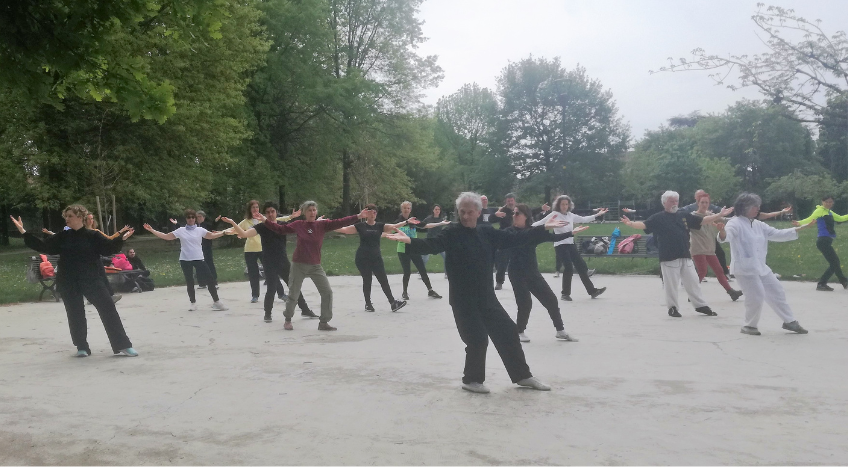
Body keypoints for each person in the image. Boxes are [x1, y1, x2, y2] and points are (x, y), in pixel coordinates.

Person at [386, 192, 566, 394]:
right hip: (463, 300)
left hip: (487, 297)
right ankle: (471, 380)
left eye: (469, 212)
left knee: (508, 331)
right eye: (462, 212)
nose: (465, 216)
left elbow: (514, 237)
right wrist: (409, 242)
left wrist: (541, 229)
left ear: (478, 212)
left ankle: (522, 376)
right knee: (478, 339)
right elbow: (432, 244)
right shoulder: (452, 233)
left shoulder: (486, 232)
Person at [11, 206, 139, 357]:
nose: (67, 219)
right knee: (75, 313)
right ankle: (82, 347)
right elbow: (43, 246)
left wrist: (121, 239)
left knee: (108, 309)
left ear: (80, 217)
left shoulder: (93, 235)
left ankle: (123, 345)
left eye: (70, 216)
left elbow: (108, 248)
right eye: (66, 216)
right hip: (68, 280)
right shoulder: (62, 236)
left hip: (91, 279)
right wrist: (23, 232)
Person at [229, 201, 369, 331]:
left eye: (314, 210)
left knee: (327, 292)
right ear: (304, 212)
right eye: (309, 210)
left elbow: (340, 222)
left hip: (314, 265)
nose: (312, 212)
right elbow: (278, 228)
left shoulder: (322, 225)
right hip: (296, 264)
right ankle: (286, 318)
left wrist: (358, 216)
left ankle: (323, 322)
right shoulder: (298, 225)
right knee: (290, 293)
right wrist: (264, 220)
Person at [621, 190, 732, 318]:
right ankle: (672, 308)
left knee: (693, 281)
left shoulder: (683, 215)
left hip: (685, 255)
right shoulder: (658, 217)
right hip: (668, 257)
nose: (674, 203)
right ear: (664, 203)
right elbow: (644, 225)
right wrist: (630, 224)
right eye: (671, 201)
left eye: (676, 201)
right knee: (671, 285)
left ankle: (701, 306)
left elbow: (702, 221)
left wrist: (719, 215)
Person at [719, 193, 813, 335]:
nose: (758, 209)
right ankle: (749, 326)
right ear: (744, 207)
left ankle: (789, 321)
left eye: (758, 206)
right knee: (756, 296)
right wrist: (722, 232)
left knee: (777, 291)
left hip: (761, 267)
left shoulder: (758, 224)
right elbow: (726, 237)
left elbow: (777, 234)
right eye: (754, 206)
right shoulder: (735, 222)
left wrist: (801, 228)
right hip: (744, 269)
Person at [224, 202, 316, 322]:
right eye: (267, 212)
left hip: (283, 261)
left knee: (293, 286)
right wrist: (232, 222)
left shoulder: (283, 225)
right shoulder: (262, 227)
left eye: (272, 211)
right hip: (269, 262)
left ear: (276, 212)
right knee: (271, 288)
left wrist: (315, 222)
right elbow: (244, 234)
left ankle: (305, 310)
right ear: (264, 214)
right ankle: (267, 314)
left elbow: (302, 228)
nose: (270, 214)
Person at [507, 203, 585, 343]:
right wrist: (543, 227)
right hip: (516, 273)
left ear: (526, 216)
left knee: (551, 300)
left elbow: (552, 238)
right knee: (525, 303)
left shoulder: (532, 231)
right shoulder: (511, 232)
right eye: (514, 213)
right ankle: (519, 331)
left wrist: (571, 233)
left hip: (532, 272)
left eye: (517, 213)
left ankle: (560, 331)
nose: (514, 215)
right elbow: (524, 235)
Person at [143, 209, 229, 311]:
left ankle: (217, 302)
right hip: (185, 259)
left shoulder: (200, 230)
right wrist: (152, 230)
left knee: (210, 279)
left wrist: (223, 233)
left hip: (199, 258)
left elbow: (211, 236)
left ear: (195, 219)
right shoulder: (181, 230)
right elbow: (166, 237)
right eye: (189, 217)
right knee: (190, 281)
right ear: (186, 219)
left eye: (193, 217)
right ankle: (193, 303)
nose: (191, 219)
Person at [334, 204, 408, 313]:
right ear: (366, 213)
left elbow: (394, 226)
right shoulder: (360, 226)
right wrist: (326, 225)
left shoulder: (380, 226)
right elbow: (344, 230)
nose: (373, 214)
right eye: (370, 211)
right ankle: (368, 304)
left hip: (376, 257)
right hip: (362, 257)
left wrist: (407, 221)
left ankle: (393, 303)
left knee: (383, 280)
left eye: (375, 212)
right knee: (367, 280)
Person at [533, 195, 608, 301]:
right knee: (568, 267)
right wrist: (528, 227)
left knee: (581, 267)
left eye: (566, 204)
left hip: (570, 244)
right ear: (558, 205)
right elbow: (541, 223)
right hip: (560, 245)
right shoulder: (555, 214)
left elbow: (584, 219)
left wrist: (598, 214)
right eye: (562, 204)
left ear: (569, 205)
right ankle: (565, 294)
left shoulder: (570, 215)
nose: (564, 206)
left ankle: (593, 291)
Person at [689, 192, 743, 301]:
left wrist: (740, 219)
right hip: (698, 248)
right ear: (698, 203)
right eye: (702, 202)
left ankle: (731, 292)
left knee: (719, 270)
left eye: (707, 202)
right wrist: (719, 215)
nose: (704, 204)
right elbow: (704, 221)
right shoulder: (693, 216)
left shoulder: (710, 215)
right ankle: (692, 294)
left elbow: (724, 220)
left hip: (709, 248)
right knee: (702, 271)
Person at [795, 195, 848, 291]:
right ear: (822, 202)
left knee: (834, 263)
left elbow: (840, 218)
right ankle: (838, 282)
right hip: (823, 241)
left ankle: (837, 282)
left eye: (831, 202)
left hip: (826, 241)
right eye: (827, 201)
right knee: (835, 262)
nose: (829, 203)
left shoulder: (829, 212)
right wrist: (799, 223)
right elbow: (810, 219)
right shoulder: (819, 211)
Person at [394, 201, 445, 300]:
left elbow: (426, 225)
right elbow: (391, 230)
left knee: (422, 270)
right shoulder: (398, 222)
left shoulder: (414, 220)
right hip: (403, 249)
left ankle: (430, 290)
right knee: (407, 272)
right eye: (404, 208)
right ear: (401, 209)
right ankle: (404, 292)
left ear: (410, 210)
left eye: (408, 208)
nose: (406, 210)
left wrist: (440, 223)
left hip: (415, 248)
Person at [492, 193, 518, 290]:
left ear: (514, 200)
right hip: (505, 238)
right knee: (502, 262)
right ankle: (499, 282)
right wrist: (496, 214)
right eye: (508, 201)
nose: (510, 202)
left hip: (517, 237)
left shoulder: (518, 209)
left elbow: (530, 213)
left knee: (520, 260)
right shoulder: (502, 210)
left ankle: (521, 280)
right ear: (505, 201)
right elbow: (491, 219)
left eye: (512, 200)